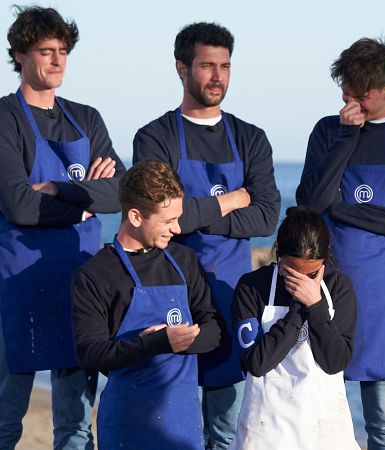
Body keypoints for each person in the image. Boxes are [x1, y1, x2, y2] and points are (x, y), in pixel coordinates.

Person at [133, 22, 281, 448]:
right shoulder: (155, 137)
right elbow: (158, 217)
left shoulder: (251, 139)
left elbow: (266, 218)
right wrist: (233, 199)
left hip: (231, 294)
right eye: (206, 66)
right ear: (182, 68)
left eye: (225, 66)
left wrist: (191, 215)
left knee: (224, 424)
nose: (217, 76)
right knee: (168, 422)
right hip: (168, 293)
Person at [296, 37, 385, 449]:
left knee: (382, 415)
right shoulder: (328, 131)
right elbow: (309, 202)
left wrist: (341, 211)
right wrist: (346, 137)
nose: (352, 101)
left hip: (384, 291)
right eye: (346, 92)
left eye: (362, 95)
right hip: (324, 285)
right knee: (318, 407)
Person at [0, 6, 125, 448]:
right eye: (45, 51)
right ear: (19, 54)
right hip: (17, 283)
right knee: (4, 417)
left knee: (75, 423)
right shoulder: (5, 119)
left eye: (63, 52)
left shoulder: (86, 118)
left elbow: (121, 193)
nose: (57, 61)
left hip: (81, 282)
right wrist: (85, 205)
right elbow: (17, 205)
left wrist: (55, 189)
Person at [71, 160, 222, 449]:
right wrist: (156, 342)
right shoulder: (94, 274)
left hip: (183, 425)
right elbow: (90, 354)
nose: (177, 229)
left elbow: (214, 330)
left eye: (178, 218)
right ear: (136, 216)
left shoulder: (184, 260)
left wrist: (183, 340)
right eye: (167, 221)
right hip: (127, 424)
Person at [229, 207, 359, 449]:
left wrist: (316, 305)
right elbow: (257, 363)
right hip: (265, 430)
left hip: (325, 429)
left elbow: (335, 362)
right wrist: (299, 307)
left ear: (325, 258)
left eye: (311, 274)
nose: (301, 280)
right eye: (292, 271)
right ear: (278, 251)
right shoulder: (251, 287)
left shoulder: (339, 287)